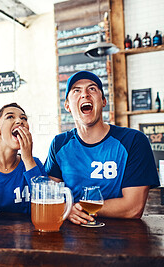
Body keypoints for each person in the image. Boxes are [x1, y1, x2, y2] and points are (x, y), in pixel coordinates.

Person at [44, 70, 160, 225]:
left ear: (104, 101)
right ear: (67, 106)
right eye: (76, 90)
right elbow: (49, 195)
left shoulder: (133, 141)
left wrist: (77, 207)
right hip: (71, 239)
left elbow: (133, 208)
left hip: (123, 241)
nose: (85, 94)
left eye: (92, 89)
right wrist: (64, 207)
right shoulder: (59, 144)